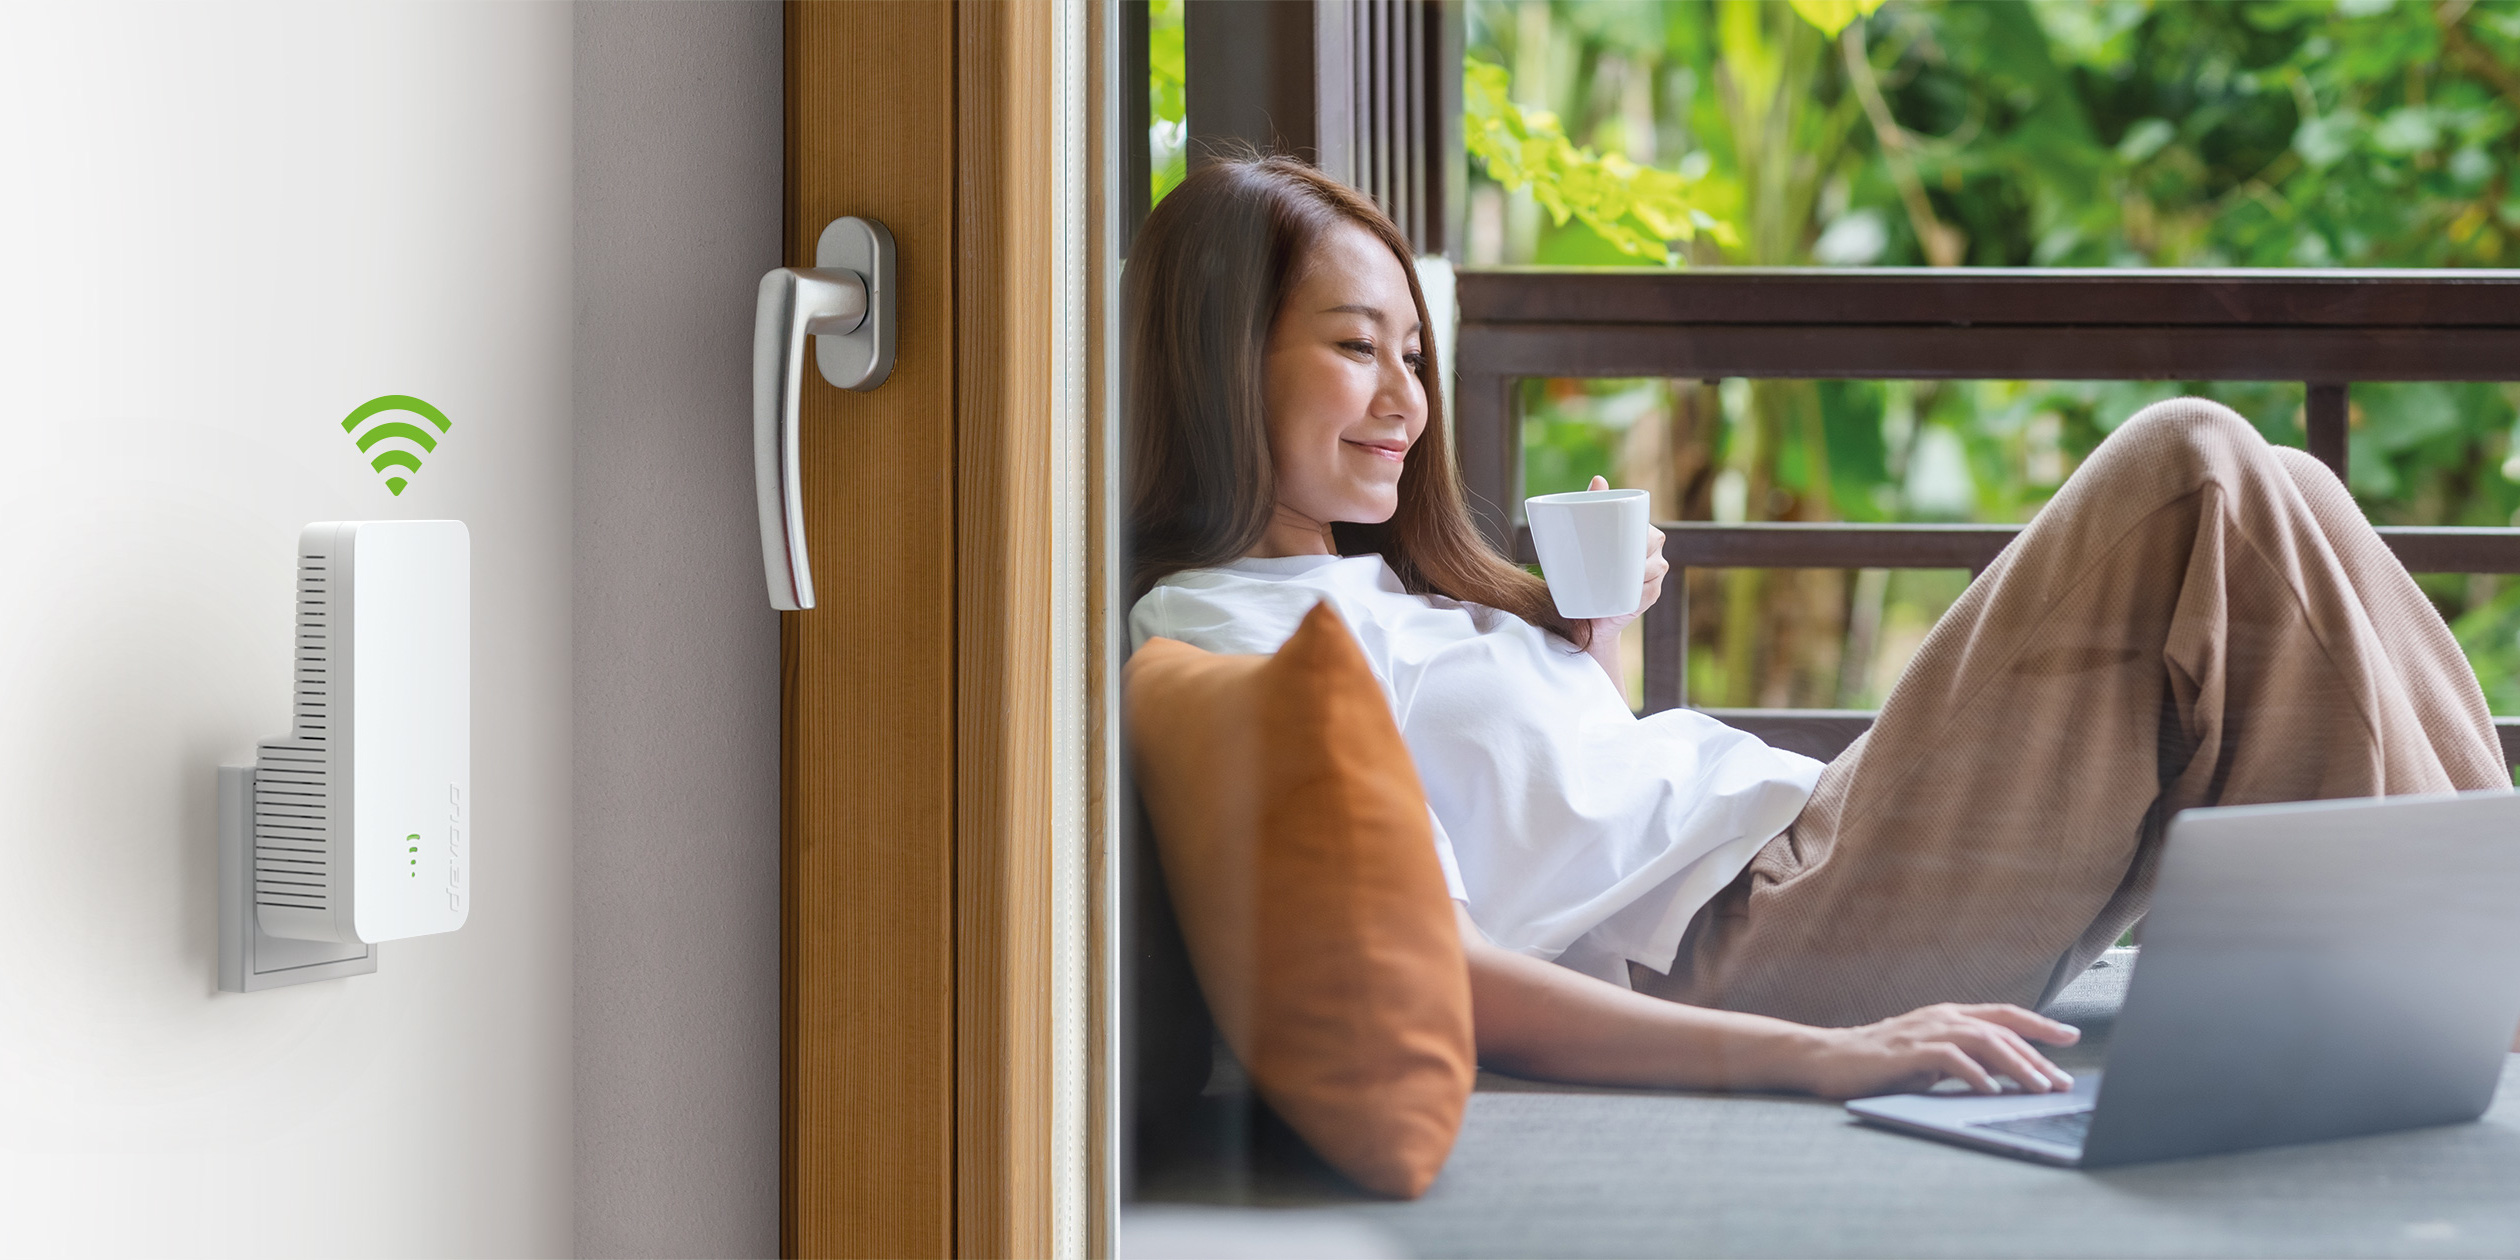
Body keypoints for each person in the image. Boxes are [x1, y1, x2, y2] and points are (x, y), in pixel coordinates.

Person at [1126, 155, 2510, 1100]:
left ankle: (2472, 949)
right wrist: (1808, 1056)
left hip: (1799, 859)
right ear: (1220, 357)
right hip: (1757, 945)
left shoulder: (1374, 588)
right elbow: (1430, 959)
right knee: (2193, 467)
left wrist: (1580, 641)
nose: (1406, 400)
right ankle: (2456, 967)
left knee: (2284, 487)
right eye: (1355, 346)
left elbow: (1553, 816)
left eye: (1413, 354)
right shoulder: (1228, 633)